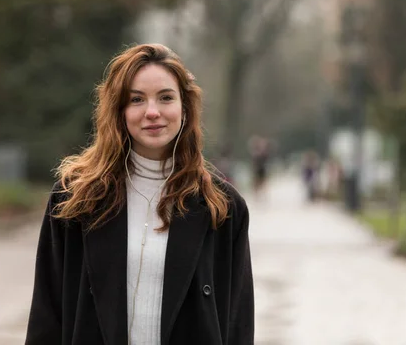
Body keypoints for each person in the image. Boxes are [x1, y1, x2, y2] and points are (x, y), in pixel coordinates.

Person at [25, 44, 254, 345]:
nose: (153, 112)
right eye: (136, 99)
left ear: (185, 107)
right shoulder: (74, 199)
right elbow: (47, 313)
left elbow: (237, 323)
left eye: (166, 97)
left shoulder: (222, 207)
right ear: (118, 111)